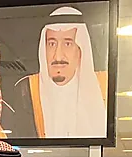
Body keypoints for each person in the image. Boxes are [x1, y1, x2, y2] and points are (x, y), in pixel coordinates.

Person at [14, 6, 107, 138]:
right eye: (52, 44)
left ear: (80, 49)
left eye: (67, 44)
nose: (58, 56)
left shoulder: (104, 86)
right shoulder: (27, 89)